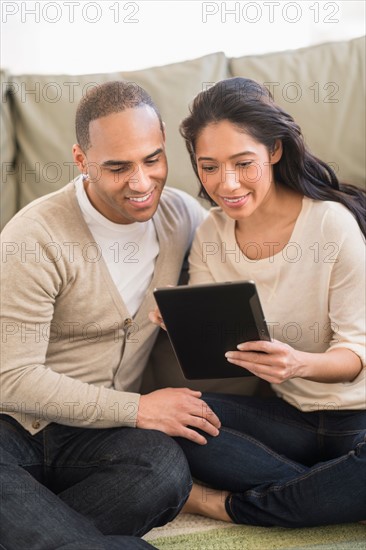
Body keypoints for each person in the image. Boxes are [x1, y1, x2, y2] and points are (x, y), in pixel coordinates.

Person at [0, 80, 221, 550]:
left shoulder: (180, 215)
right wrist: (139, 408)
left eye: (152, 159)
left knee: (163, 469)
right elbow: (12, 378)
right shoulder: (33, 238)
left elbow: (242, 258)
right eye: (117, 167)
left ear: (164, 139)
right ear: (81, 161)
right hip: (10, 430)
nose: (141, 183)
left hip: (92, 440)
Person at [152, 77, 366, 527]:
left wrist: (299, 363)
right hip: (294, 419)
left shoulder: (330, 224)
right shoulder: (211, 231)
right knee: (172, 421)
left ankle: (223, 505)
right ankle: (331, 492)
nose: (226, 184)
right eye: (208, 167)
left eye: (242, 163)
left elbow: (358, 353)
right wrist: (186, 325)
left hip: (358, 417)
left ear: (274, 151)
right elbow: (221, 351)